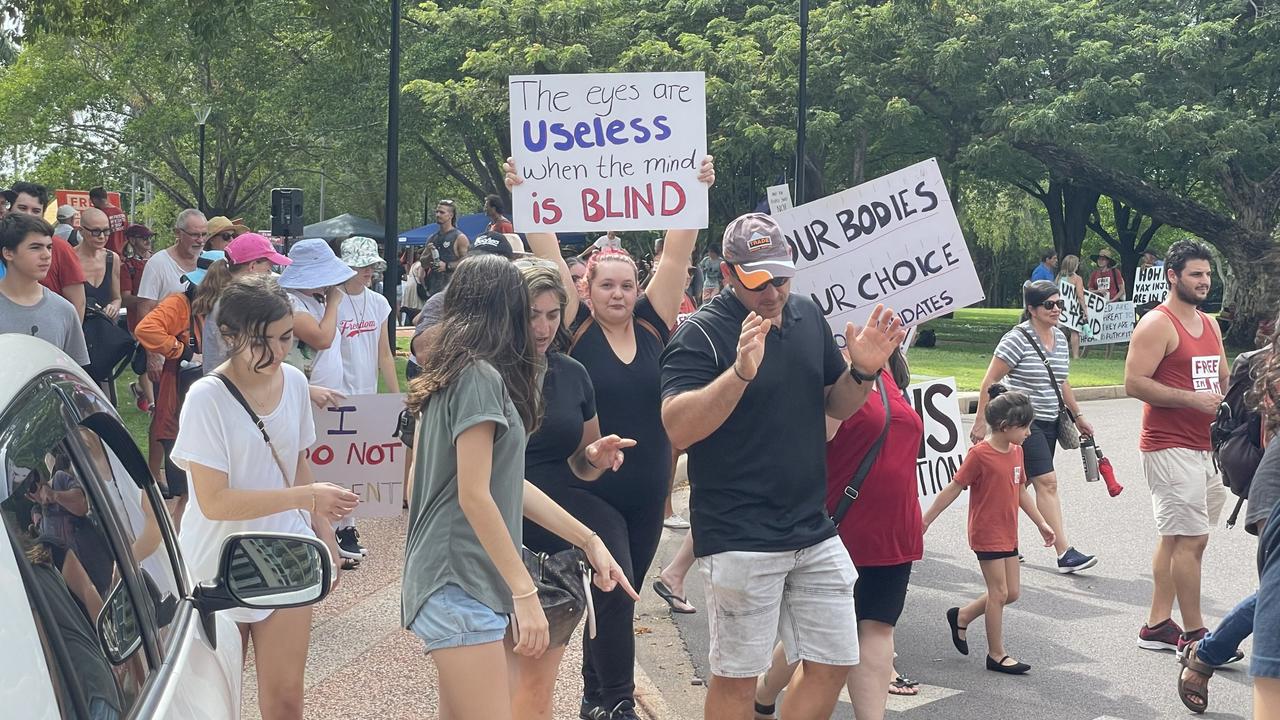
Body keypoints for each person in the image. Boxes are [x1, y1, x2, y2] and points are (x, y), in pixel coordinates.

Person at [660, 211, 905, 720]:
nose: (771, 292)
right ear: (727, 274)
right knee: (736, 678)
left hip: (812, 528)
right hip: (739, 536)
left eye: (779, 278)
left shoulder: (807, 316)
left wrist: (862, 370)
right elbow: (677, 428)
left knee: (835, 661)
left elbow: (836, 406)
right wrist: (739, 373)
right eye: (756, 282)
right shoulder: (701, 335)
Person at [401, 253, 636, 720]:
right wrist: (525, 594)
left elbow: (508, 485)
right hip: (458, 579)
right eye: (525, 309)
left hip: (460, 579)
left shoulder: (462, 371)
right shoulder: (478, 377)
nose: (539, 325)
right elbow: (475, 495)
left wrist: (588, 540)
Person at [169, 273, 355, 720]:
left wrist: (324, 535)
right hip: (217, 564)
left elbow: (296, 460)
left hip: (286, 554)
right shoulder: (205, 398)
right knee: (218, 706)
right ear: (229, 335)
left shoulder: (293, 380)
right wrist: (306, 498)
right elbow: (215, 502)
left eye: (286, 337)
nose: (276, 352)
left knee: (287, 701)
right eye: (262, 341)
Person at [753, 349, 924, 719]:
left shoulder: (889, 375)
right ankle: (765, 691)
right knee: (821, 635)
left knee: (876, 627)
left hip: (896, 528)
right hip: (842, 526)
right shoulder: (827, 371)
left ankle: (765, 693)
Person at [511, 258, 639, 719]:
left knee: (616, 563)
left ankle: (617, 698)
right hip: (502, 498)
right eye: (532, 315)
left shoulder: (571, 373)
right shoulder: (489, 373)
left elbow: (583, 463)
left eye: (551, 314)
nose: (543, 328)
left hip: (563, 493)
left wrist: (595, 457)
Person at [1125, 239, 1229, 652]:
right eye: (1196, 274)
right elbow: (1134, 383)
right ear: (1173, 276)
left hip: (1206, 447)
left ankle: (1156, 625)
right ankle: (1196, 635)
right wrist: (1191, 399)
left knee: (1175, 537)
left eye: (1207, 274)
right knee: (1191, 540)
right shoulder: (1157, 323)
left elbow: (1220, 378)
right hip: (1168, 446)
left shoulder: (1211, 323)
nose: (1204, 282)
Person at [924, 385, 1056, 675]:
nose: (1029, 433)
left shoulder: (1017, 452)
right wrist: (927, 519)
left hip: (1009, 531)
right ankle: (996, 654)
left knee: (1012, 593)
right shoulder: (980, 455)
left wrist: (1041, 523)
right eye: (1025, 427)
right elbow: (954, 487)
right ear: (1006, 426)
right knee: (998, 593)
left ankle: (962, 615)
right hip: (986, 532)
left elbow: (1020, 491)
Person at [971, 280, 1097, 572]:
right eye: (1049, 305)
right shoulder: (1016, 339)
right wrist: (980, 420)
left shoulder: (1061, 338)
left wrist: (1078, 417)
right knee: (1047, 482)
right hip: (1021, 422)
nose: (1056, 310)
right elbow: (990, 381)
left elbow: (1062, 381)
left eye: (1059, 304)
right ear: (1031, 309)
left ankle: (1001, 543)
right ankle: (1064, 552)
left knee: (1018, 484)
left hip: (1052, 419)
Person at [135, 249, 225, 527]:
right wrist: (183, 352)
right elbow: (146, 329)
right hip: (179, 410)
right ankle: (175, 555)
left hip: (207, 411)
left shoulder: (217, 308)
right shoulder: (180, 303)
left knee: (205, 493)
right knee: (188, 494)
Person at [331, 236, 400, 559]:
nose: (368, 270)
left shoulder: (378, 303)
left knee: (358, 467)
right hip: (338, 393)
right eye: (362, 264)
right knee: (337, 463)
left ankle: (347, 526)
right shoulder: (334, 300)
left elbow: (385, 353)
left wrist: (397, 397)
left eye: (371, 264)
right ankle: (334, 527)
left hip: (366, 394)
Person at [0, 212, 89, 365]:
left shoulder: (64, 310)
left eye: (49, 247)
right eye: (35, 248)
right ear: (8, 252)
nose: (46, 255)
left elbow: (73, 376)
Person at [200, 233, 291, 372]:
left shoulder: (232, 299)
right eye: (268, 268)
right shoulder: (235, 304)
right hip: (230, 389)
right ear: (253, 266)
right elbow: (254, 360)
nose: (269, 274)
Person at [279, 239, 355, 392]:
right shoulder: (291, 301)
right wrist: (332, 303)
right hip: (308, 390)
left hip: (325, 391)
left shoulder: (315, 300)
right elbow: (322, 340)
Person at [11, 181, 86, 321]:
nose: (28, 215)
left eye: (36, 211)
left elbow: (78, 303)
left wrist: (69, 340)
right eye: (22, 208)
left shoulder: (60, 247)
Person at [121, 223, 155, 411]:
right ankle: (152, 404)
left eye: (149, 238)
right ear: (132, 240)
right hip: (139, 321)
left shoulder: (157, 260)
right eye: (144, 238)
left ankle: (140, 388)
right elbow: (125, 298)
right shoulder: (127, 267)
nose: (148, 242)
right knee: (145, 359)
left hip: (160, 317)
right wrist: (146, 301)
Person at [73, 207, 122, 321]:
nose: (102, 237)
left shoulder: (112, 258)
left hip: (105, 328)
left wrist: (114, 307)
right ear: (81, 231)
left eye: (106, 231)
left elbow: (117, 298)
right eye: (95, 232)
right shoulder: (70, 258)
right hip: (78, 328)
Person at [423, 199, 470, 298]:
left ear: (450, 215)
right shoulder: (432, 238)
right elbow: (423, 264)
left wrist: (447, 266)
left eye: (442, 212)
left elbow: (467, 262)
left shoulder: (459, 237)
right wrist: (428, 254)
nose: (438, 215)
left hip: (453, 291)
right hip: (433, 290)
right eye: (437, 212)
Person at [1055, 254, 1088, 358]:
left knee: (1060, 331)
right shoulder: (1077, 278)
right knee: (1075, 331)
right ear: (1074, 265)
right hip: (1073, 308)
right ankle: (1075, 355)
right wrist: (1085, 309)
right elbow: (1080, 295)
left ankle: (1059, 354)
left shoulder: (1059, 277)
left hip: (1060, 307)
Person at [88, 186, 128, 255]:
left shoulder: (101, 214)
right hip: (121, 256)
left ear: (95, 200)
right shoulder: (120, 212)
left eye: (91, 200)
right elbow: (127, 235)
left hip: (105, 255)